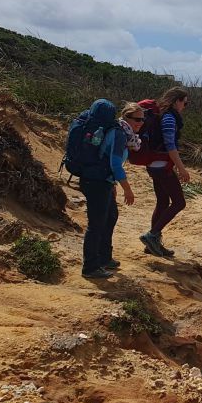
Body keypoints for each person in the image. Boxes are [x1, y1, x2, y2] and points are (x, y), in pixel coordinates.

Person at [79, 100, 137, 279]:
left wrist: (111, 184)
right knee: (96, 224)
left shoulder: (118, 132)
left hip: (100, 180)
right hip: (97, 182)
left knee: (110, 217)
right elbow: (115, 164)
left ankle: (104, 258)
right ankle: (90, 267)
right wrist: (127, 189)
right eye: (139, 119)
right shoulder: (119, 134)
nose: (142, 123)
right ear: (127, 117)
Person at [140, 87, 190, 257]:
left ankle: (152, 245)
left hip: (154, 165)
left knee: (162, 202)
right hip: (162, 166)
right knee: (179, 203)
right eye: (185, 102)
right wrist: (182, 169)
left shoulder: (161, 115)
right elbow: (170, 146)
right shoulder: (169, 118)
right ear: (177, 101)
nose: (185, 106)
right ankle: (152, 236)